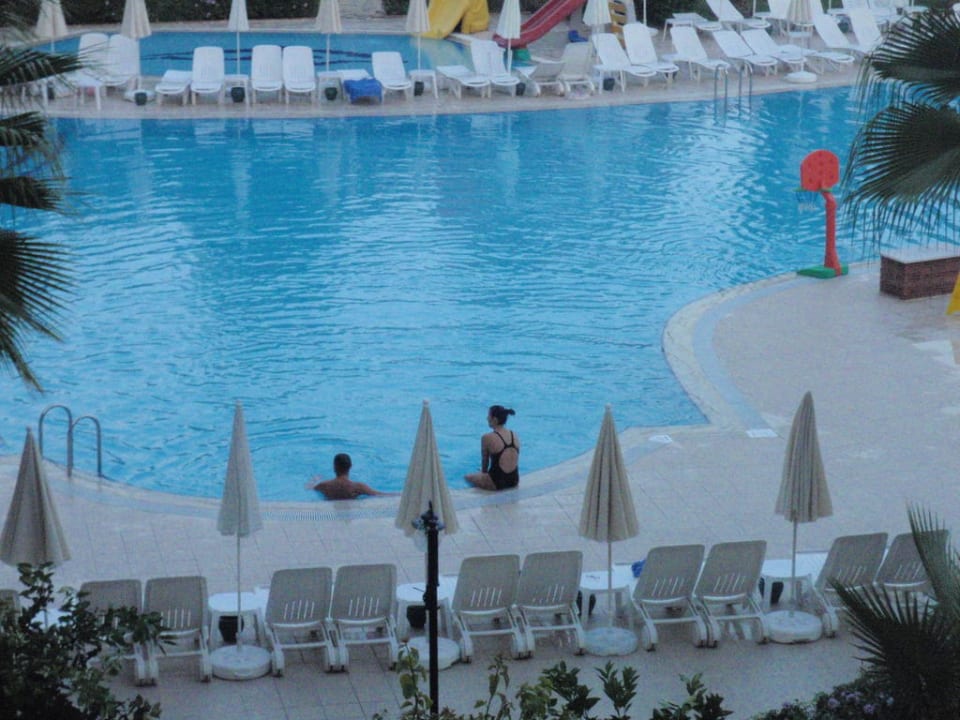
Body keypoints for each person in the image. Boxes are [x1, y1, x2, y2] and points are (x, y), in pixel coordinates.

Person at [465, 405, 520, 491]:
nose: (487, 418)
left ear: (495, 420)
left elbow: (485, 466)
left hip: (497, 483)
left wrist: (482, 476)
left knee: (467, 477)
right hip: (514, 480)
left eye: (488, 416)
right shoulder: (514, 434)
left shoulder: (487, 438)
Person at [309, 453, 388, 500]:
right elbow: (380, 494)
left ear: (334, 467)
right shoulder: (358, 487)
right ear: (350, 466)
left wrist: (314, 480)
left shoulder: (324, 486)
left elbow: (309, 488)